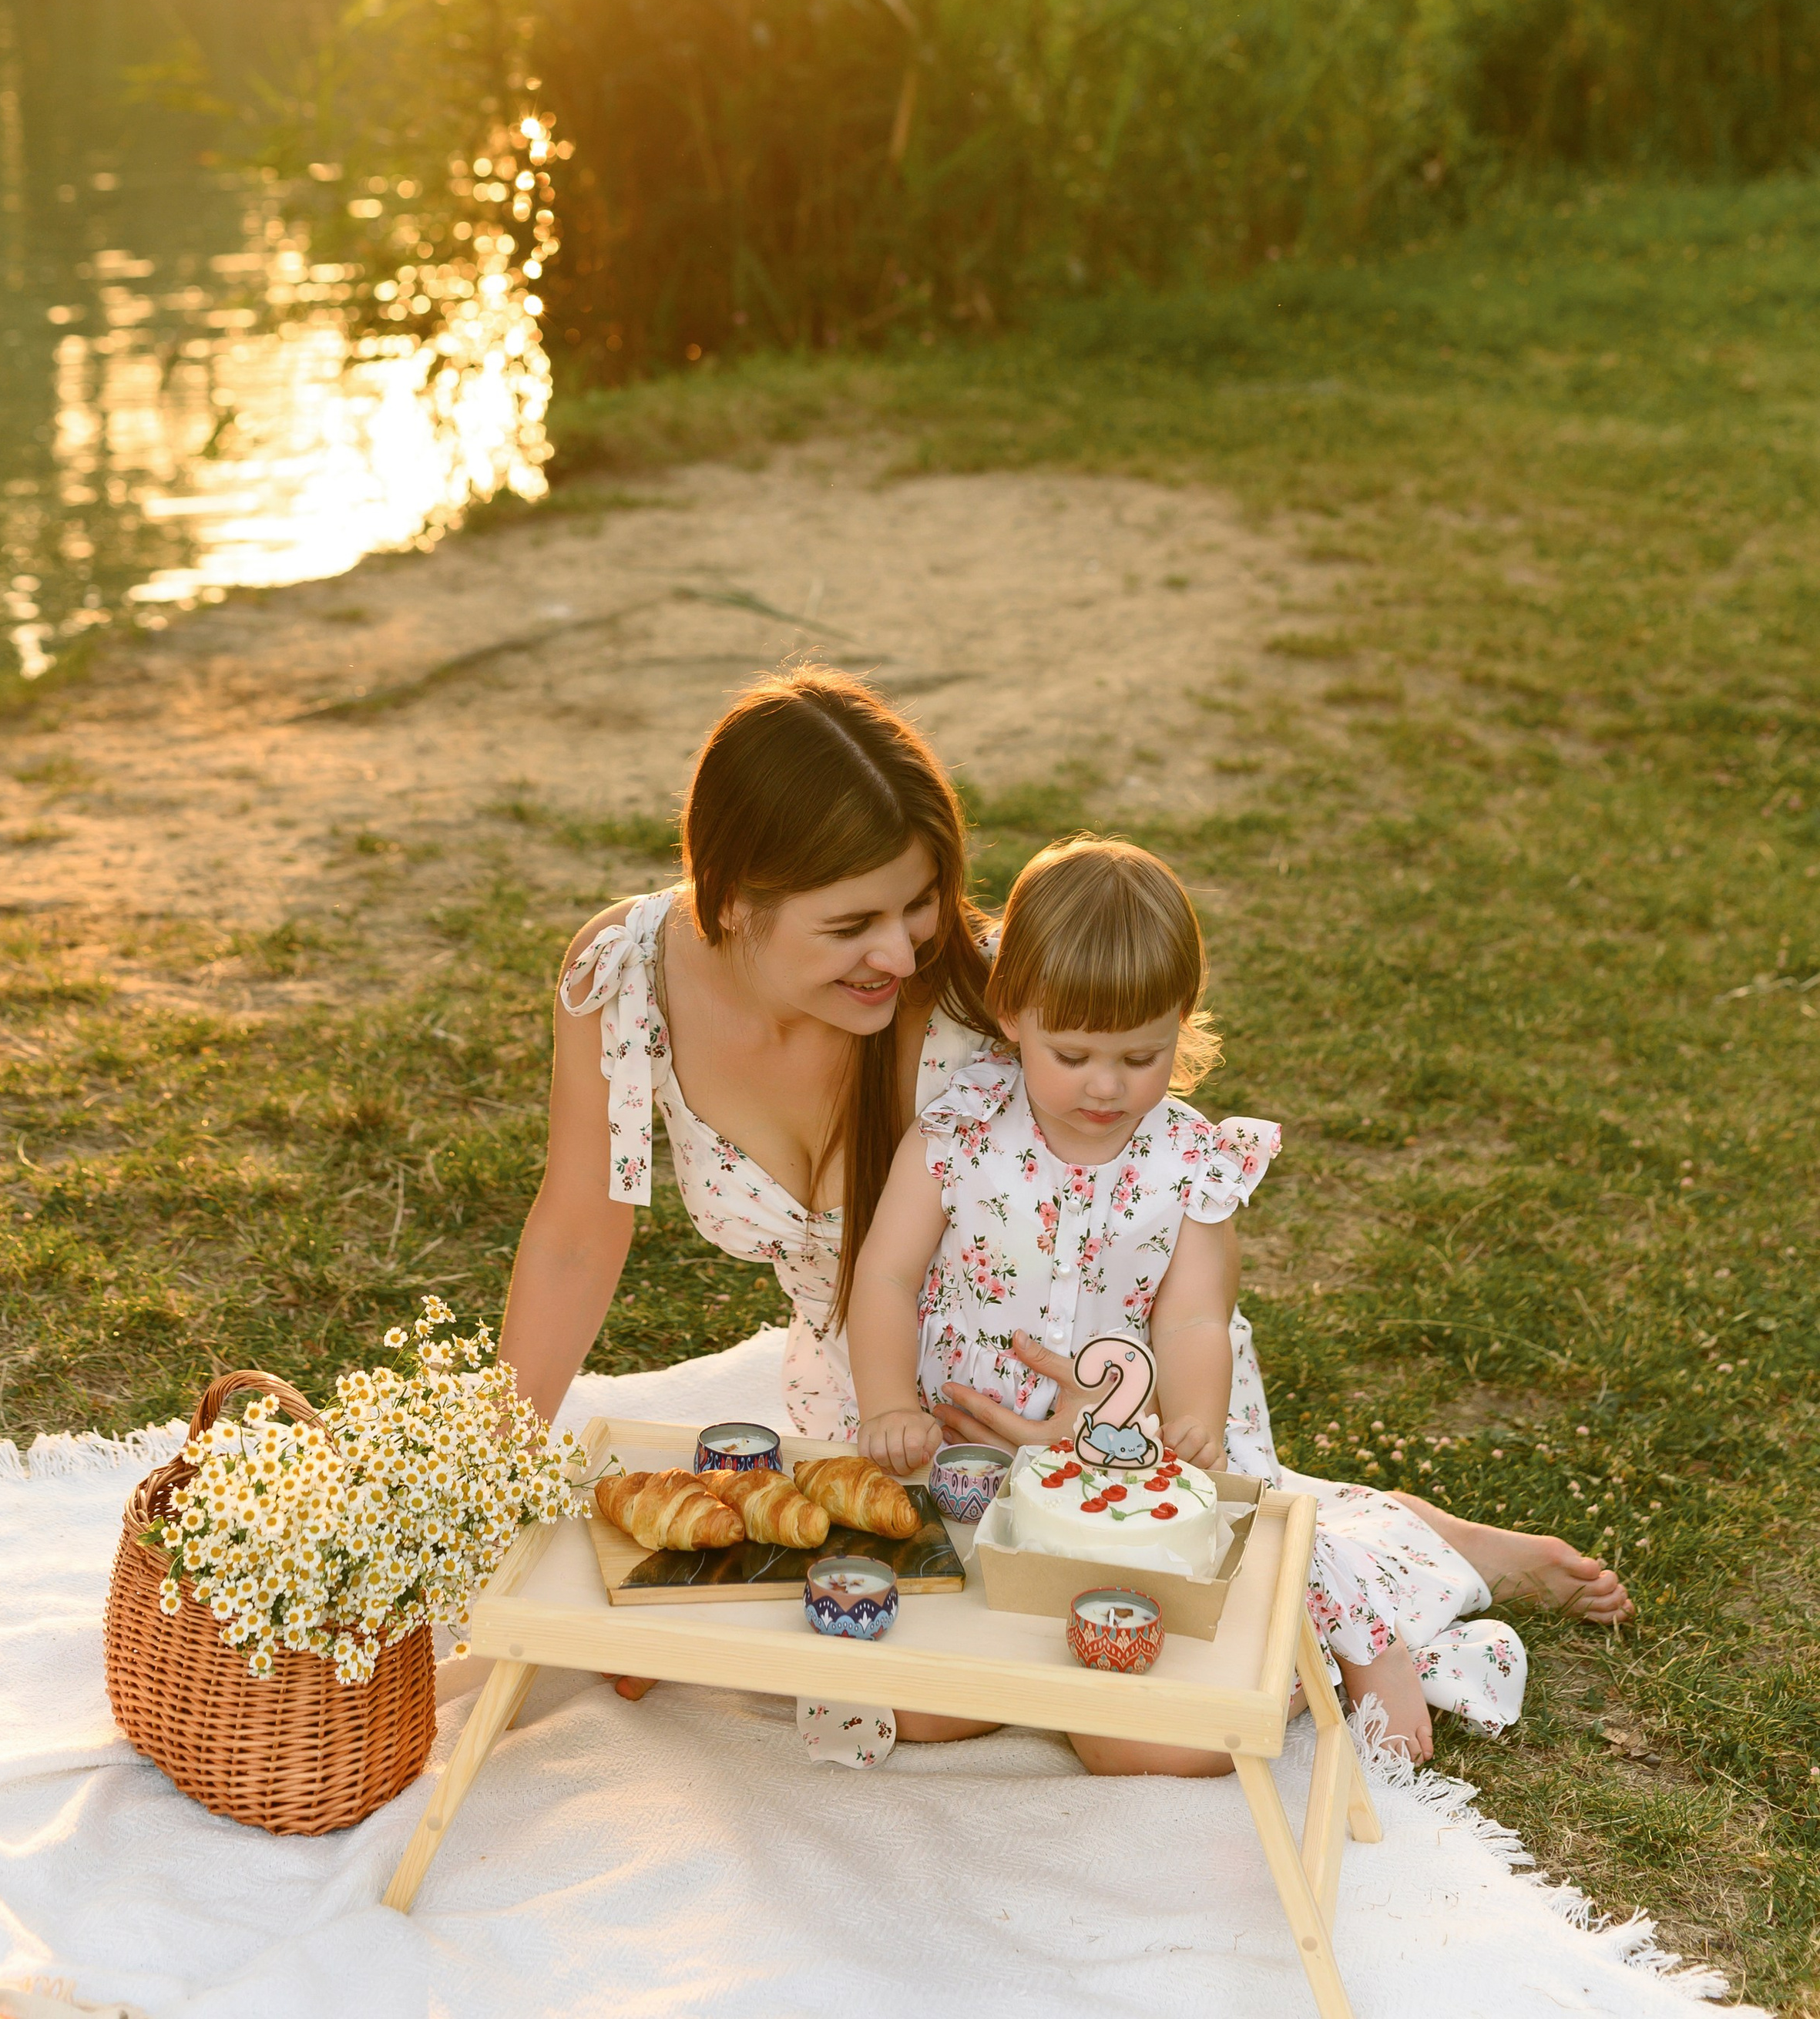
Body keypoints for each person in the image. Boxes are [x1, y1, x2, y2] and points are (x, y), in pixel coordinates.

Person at [497, 670, 1630, 1767]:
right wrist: (488, 1471)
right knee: (905, 1680)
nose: (901, 953)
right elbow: (572, 1238)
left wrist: (1083, 1428)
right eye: (852, 925)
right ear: (732, 900)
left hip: (1081, 1375)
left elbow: (1136, 1208)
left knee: (1116, 1664)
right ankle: (1396, 1534)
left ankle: (1385, 1557)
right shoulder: (626, 980)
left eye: (918, 903)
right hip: (882, 1394)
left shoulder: (984, 1005)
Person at [850, 834, 1570, 1769]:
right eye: (1073, 1053)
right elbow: (886, 1275)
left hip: (1132, 1455)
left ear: (1181, 1023)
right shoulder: (959, 1131)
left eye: (1142, 1055)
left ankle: (1375, 1611)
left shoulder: (1187, 1162)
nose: (1107, 1085)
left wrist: (1185, 1417)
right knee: (921, 1706)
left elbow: (1193, 1318)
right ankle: (1380, 1527)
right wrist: (887, 1404)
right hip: (974, 1454)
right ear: (1012, 1011)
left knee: (1151, 1746)